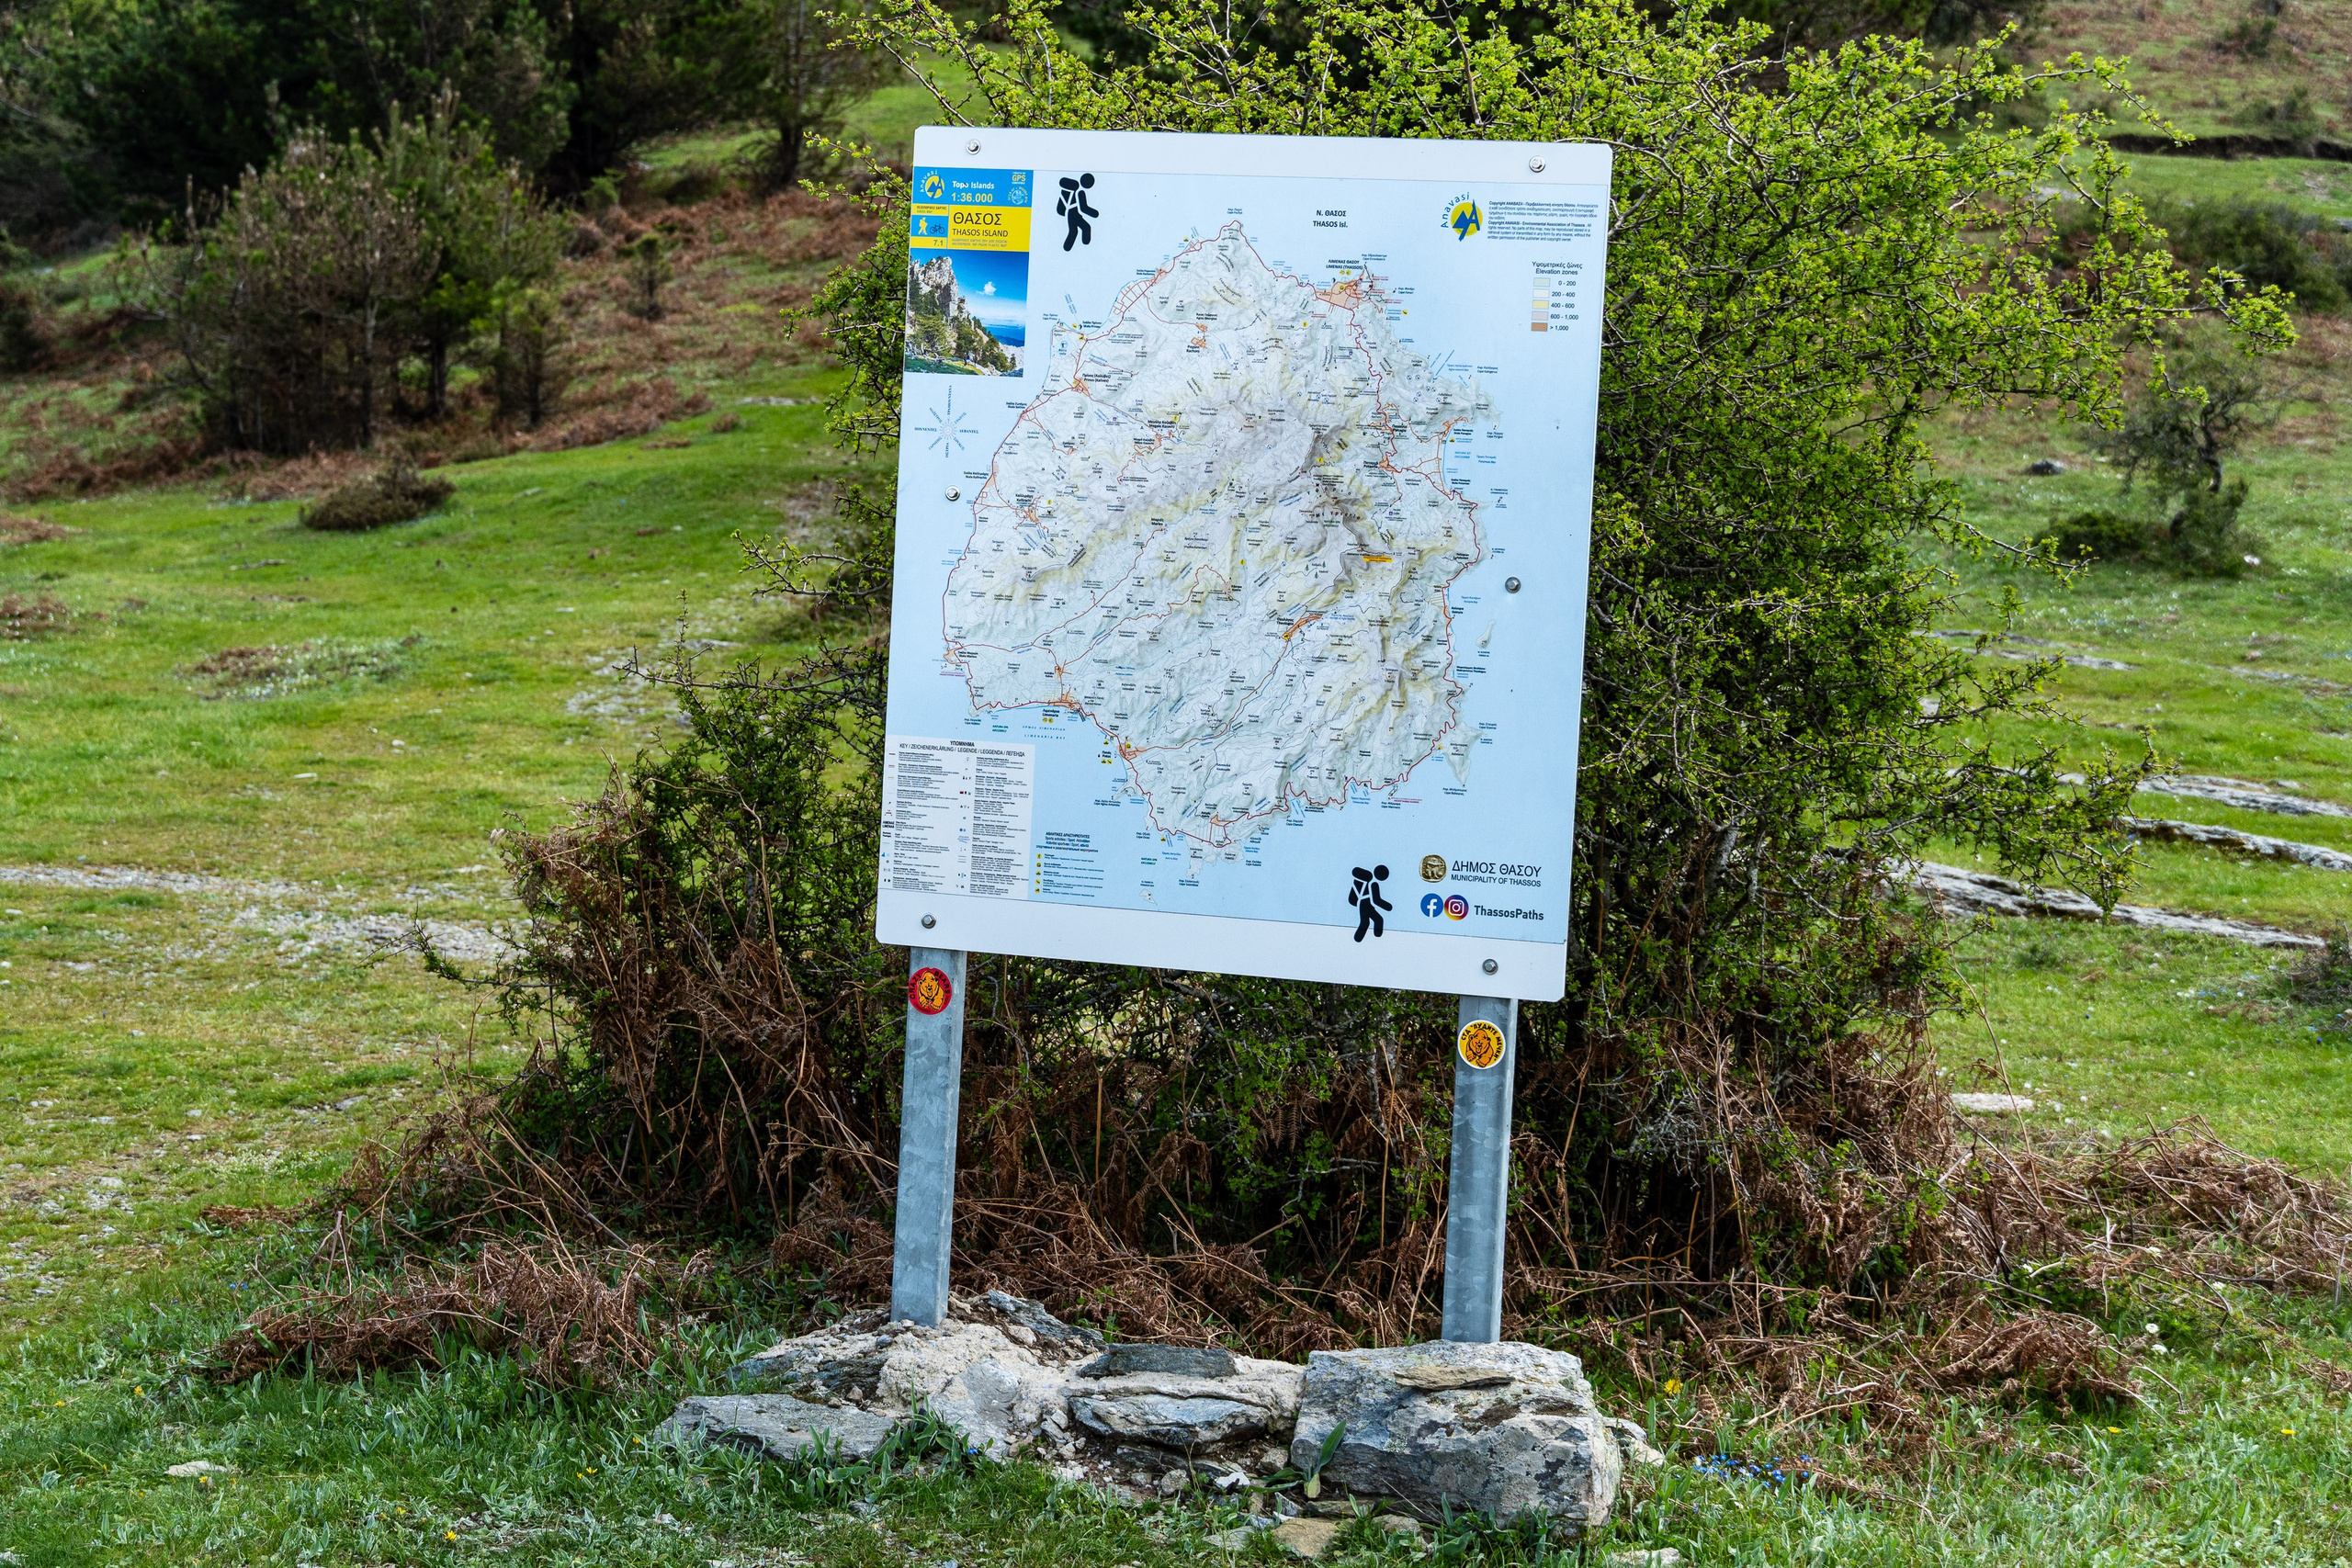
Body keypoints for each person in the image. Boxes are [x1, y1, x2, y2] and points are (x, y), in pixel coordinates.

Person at [1350, 864, 1391, 942]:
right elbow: (1376, 900)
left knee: (1375, 921)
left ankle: (1376, 937)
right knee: (1368, 922)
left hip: (1365, 905)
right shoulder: (1374, 884)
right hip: (1365, 905)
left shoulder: (1369, 882)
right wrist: (1388, 907)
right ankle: (1358, 939)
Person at [1057, 174, 1098, 251]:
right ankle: (1067, 248)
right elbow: (1084, 208)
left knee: (1085, 228)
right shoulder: (1080, 192)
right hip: (1072, 215)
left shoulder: (1076, 190)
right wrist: (1095, 214)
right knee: (1074, 231)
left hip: (1074, 214)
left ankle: (1085, 245)